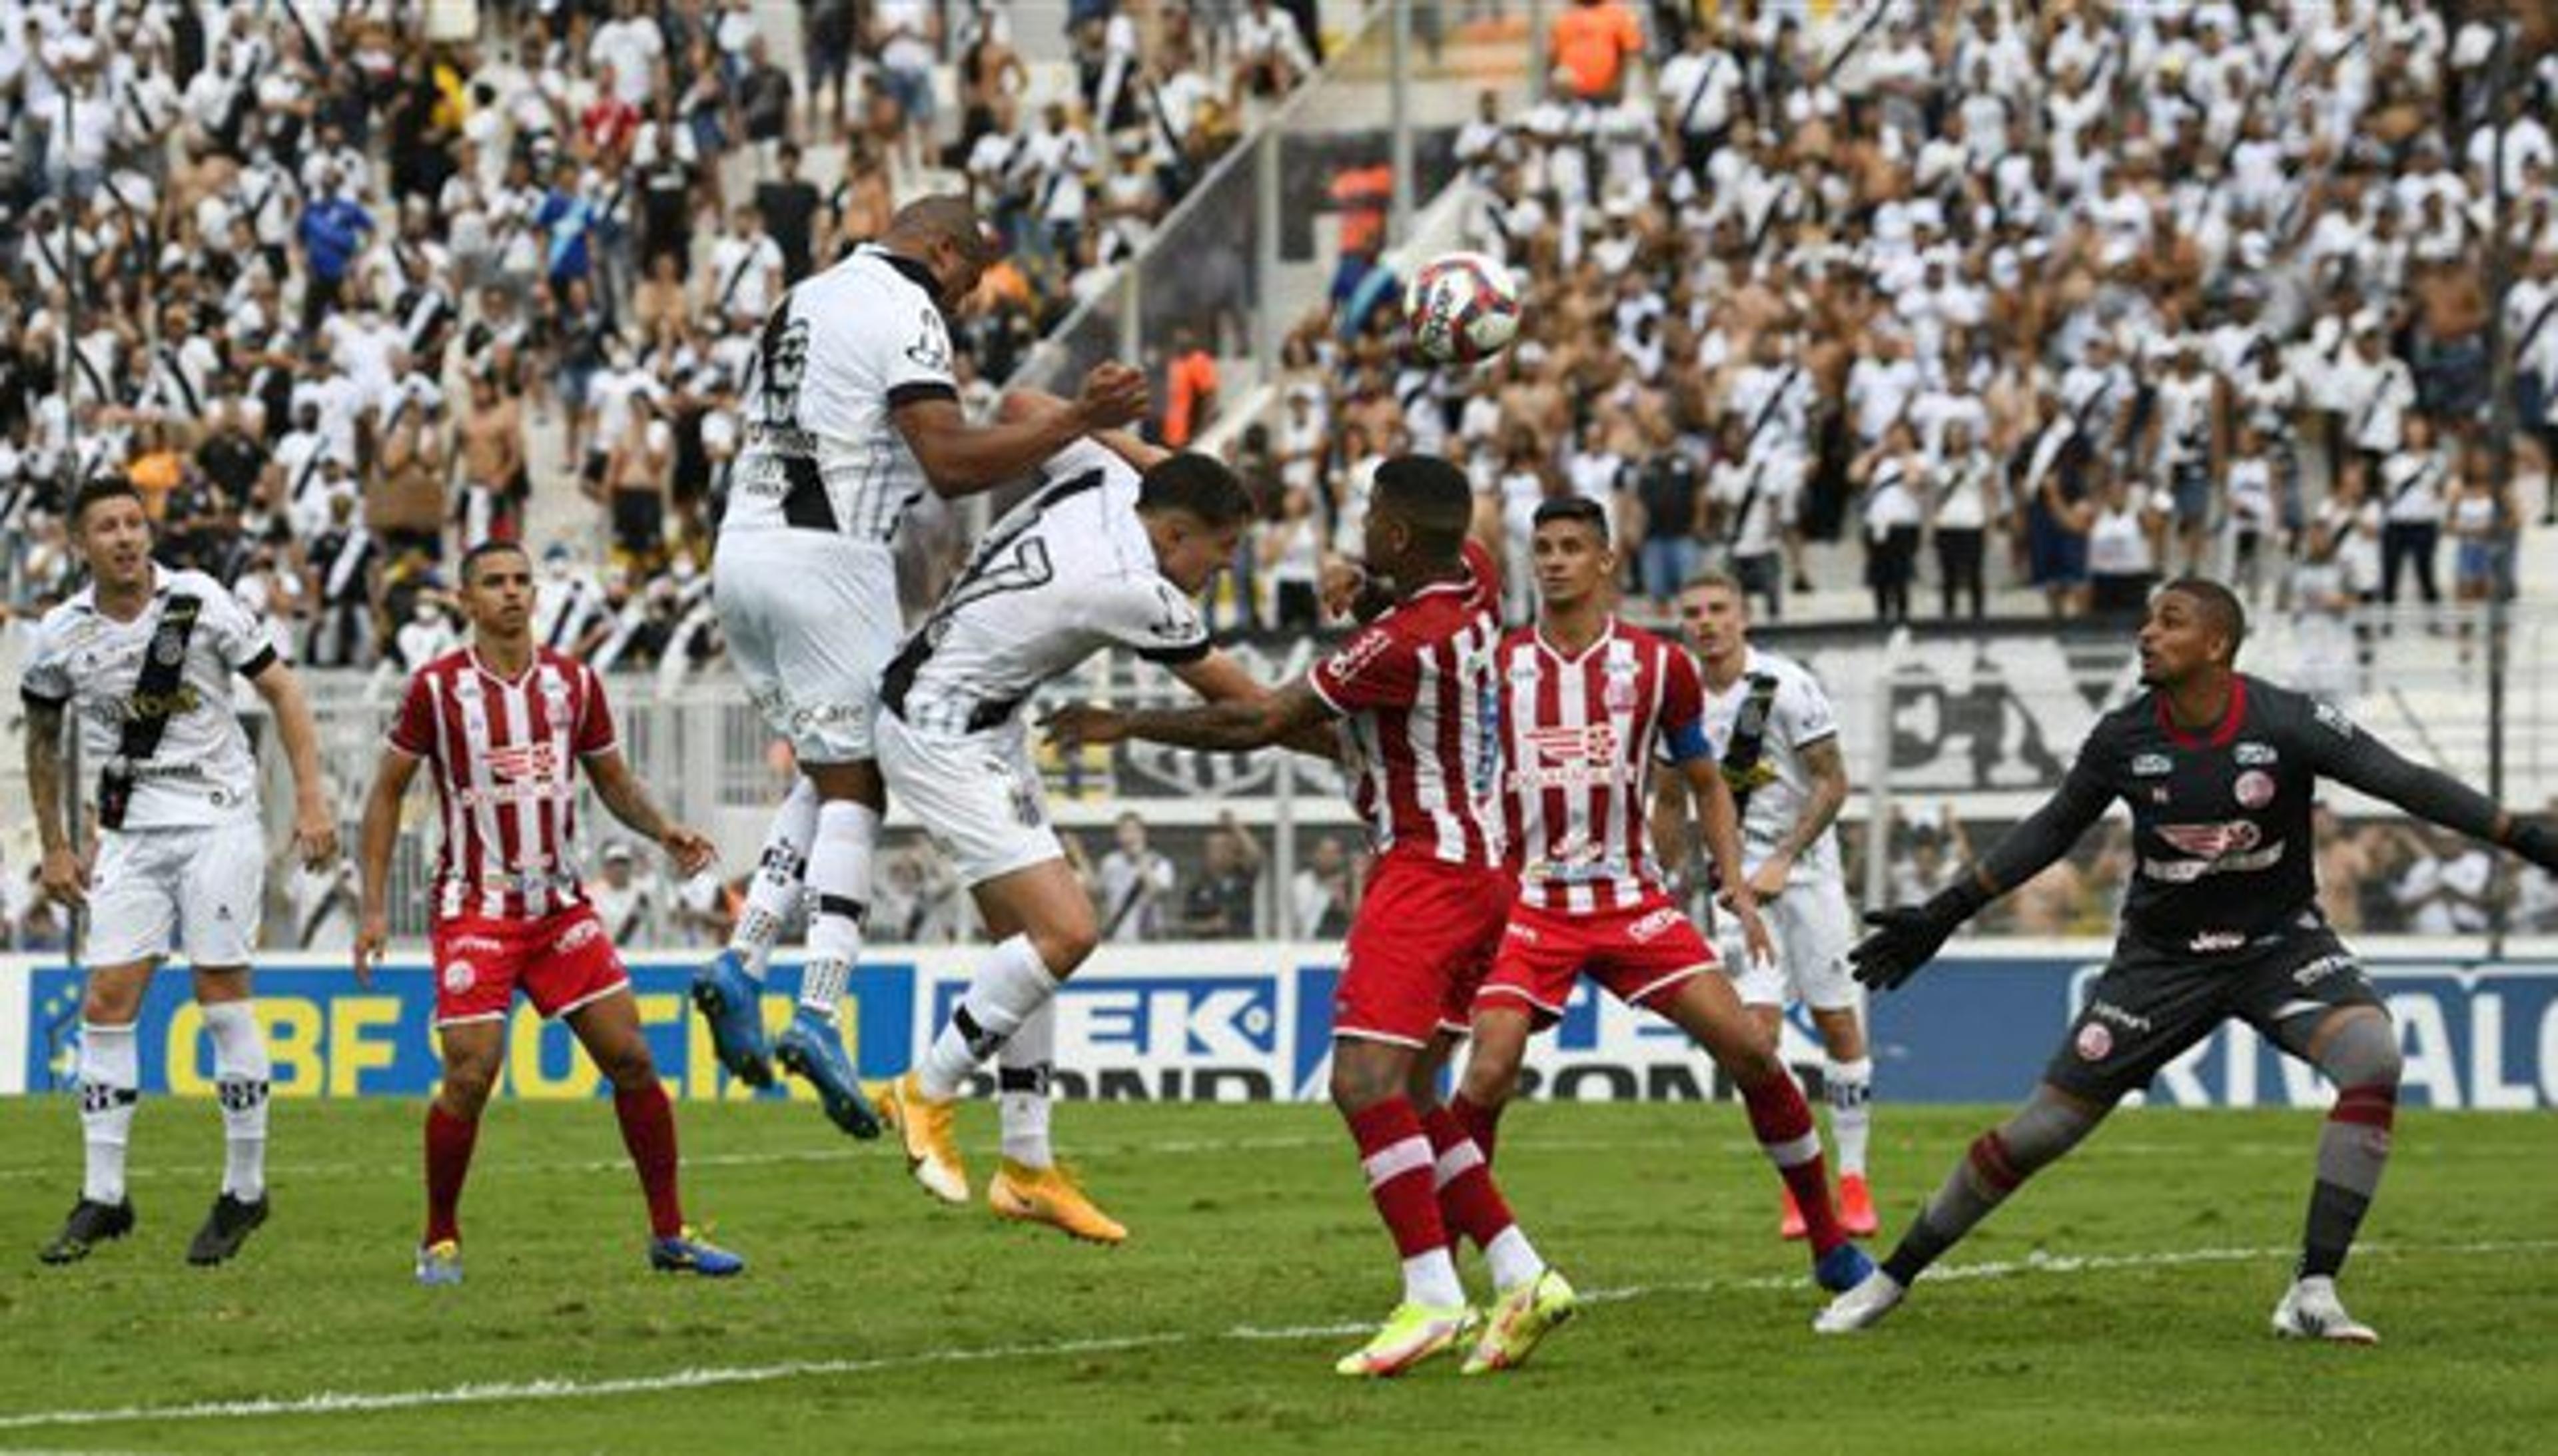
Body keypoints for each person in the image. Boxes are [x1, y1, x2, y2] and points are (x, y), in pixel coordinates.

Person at [1818, 579, 2558, 1341]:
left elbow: (2407, 781)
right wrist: (1941, 915)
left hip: (2280, 947)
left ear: (2217, 645)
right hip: (2160, 963)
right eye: (2146, 620)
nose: (2146, 633)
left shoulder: (2288, 720)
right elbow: (2050, 829)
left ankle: (2313, 1288)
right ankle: (1890, 1278)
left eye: (2169, 622)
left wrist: (2530, 839)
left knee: (2372, 1054)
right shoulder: (2123, 737)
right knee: (2038, 1132)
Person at [1049, 458, 1569, 1379]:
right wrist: (1368, 587)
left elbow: (1257, 722)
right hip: (1487, 867)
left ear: (1401, 536)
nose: (1360, 525)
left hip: (1427, 870)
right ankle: (1523, 1275)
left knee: (1362, 1081)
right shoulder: (1478, 579)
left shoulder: (1402, 641)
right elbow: (1395, 612)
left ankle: (1432, 1296)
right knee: (1410, 1090)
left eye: (1372, 517)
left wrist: (1125, 725)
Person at [691, 194, 1146, 1139]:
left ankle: (742, 958)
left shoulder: (805, 296)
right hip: (829, 558)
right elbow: (948, 461)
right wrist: (1075, 419)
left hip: (742, 553)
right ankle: (817, 1011)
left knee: (830, 767)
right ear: (942, 252)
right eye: (970, 282)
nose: (968, 304)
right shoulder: (906, 309)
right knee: (863, 781)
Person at [1454, 499, 1875, 1304]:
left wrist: (1739, 893)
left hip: (1630, 900)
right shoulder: (1500, 665)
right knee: (1490, 1067)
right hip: (1532, 903)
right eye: (1542, 547)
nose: (1553, 560)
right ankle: (1443, 1265)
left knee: (1754, 1051)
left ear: (1607, 561)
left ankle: (1829, 1242)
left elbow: (1706, 784)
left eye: (1573, 547)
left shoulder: (1656, 666)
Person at [866, 414, 1265, 1245]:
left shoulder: (1110, 477)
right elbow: (1248, 706)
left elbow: (1023, 402)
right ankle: (926, 1088)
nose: (1217, 573)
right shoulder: (1134, 586)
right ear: (1179, 532)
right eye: (1217, 554)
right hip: (942, 726)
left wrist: (1143, 448)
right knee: (1067, 930)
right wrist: (1341, 727)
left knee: (1027, 952)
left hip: (976, 715)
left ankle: (1026, 1166)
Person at [354, 541, 741, 1286]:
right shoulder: (435, 689)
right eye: (493, 583)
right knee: (471, 1072)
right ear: (467, 600)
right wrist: (373, 905)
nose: (511, 593)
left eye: (521, 582)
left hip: (561, 907)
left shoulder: (573, 683)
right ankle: (439, 1237)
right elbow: (385, 792)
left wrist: (663, 828)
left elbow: (611, 777)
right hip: (478, 907)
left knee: (631, 1058)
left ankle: (670, 1233)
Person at [20, 479, 338, 1267]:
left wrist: (309, 797)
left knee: (219, 994)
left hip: (217, 819)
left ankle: (244, 1188)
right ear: (79, 543)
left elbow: (283, 690)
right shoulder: (59, 633)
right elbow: (40, 739)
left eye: (134, 522)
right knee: (106, 1000)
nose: (126, 537)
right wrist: (56, 843)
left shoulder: (198, 599)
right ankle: (104, 1196)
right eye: (107, 527)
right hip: (128, 832)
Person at [1661, 569, 1881, 1238]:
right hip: (1732, 886)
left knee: (1838, 1023)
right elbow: (1669, 801)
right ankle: (1801, 1182)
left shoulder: (1783, 685)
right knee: (1754, 1037)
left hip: (1807, 876)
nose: (1706, 621)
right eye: (1693, 611)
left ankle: (1853, 1175)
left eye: (1717, 609)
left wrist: (1784, 855)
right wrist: (1656, 877)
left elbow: (1833, 780)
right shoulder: (1678, 698)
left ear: (1743, 617)